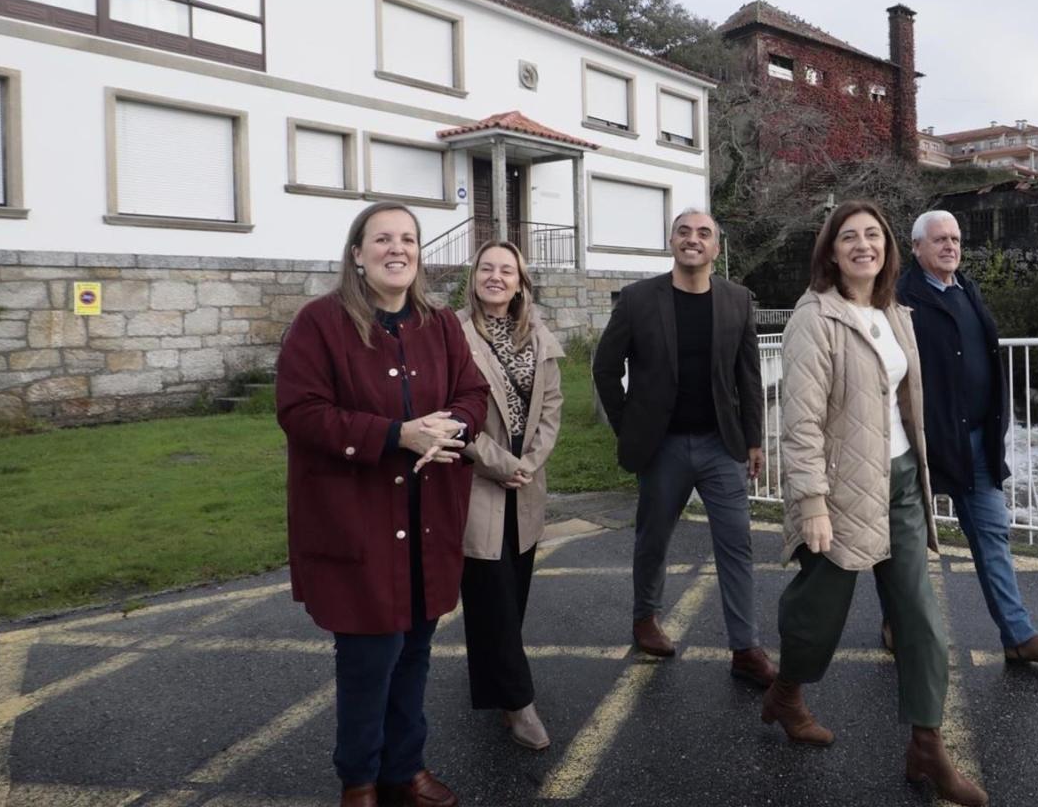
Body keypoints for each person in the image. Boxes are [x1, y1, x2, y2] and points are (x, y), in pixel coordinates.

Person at [762, 201, 987, 807]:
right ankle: (786, 693)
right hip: (838, 490)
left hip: (901, 481)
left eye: (873, 236)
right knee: (818, 616)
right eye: (849, 238)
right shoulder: (815, 318)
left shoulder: (893, 311)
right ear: (831, 251)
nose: (863, 245)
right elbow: (800, 421)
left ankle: (927, 746)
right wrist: (811, 500)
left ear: (887, 247)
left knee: (921, 617)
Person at [277, 201, 489, 807]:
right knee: (370, 660)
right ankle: (360, 781)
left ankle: (405, 768)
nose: (398, 249)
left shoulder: (440, 323)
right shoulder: (320, 323)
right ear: (357, 254)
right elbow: (299, 412)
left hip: (428, 520)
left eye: (409, 239)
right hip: (358, 522)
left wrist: (452, 427)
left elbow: (472, 393)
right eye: (383, 239)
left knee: (416, 652)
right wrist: (397, 435)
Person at [590, 209, 775, 687]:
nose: (693, 240)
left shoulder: (737, 300)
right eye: (684, 231)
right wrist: (628, 425)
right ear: (671, 241)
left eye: (704, 234)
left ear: (716, 248)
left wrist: (754, 438)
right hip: (662, 447)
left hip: (722, 445)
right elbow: (605, 368)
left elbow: (748, 377)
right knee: (653, 540)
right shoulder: (637, 300)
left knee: (737, 545)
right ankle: (645, 618)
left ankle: (745, 647)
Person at [893, 210, 1038, 665]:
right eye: (939, 240)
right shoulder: (900, 299)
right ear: (916, 248)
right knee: (907, 544)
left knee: (994, 536)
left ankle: (1018, 635)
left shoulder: (968, 290)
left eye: (955, 239)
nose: (950, 246)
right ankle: (895, 622)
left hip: (976, 442)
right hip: (923, 445)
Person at [456, 241, 564, 750]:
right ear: (473, 276)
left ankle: (495, 681)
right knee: (491, 593)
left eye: (507, 270)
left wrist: (529, 463)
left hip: (525, 484)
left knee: (511, 593)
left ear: (520, 282)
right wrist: (501, 464)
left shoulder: (537, 335)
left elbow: (551, 406)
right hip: (478, 482)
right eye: (487, 268)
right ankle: (519, 704)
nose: (496, 277)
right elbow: (450, 414)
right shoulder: (452, 334)